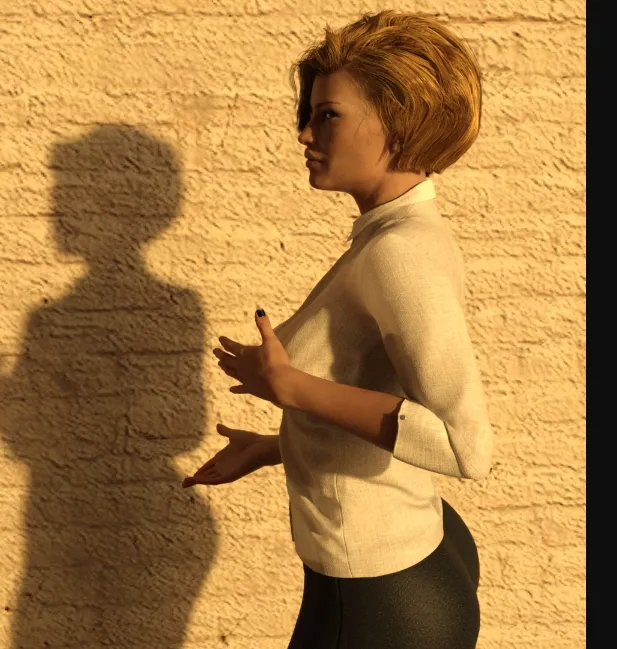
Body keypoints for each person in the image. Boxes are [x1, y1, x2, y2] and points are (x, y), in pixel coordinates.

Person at [183, 11, 492, 648]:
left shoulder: (399, 252)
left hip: (383, 595)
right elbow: (371, 392)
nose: (304, 133)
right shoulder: (390, 235)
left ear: (400, 123)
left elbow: (464, 446)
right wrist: (277, 446)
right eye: (309, 113)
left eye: (327, 115)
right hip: (392, 567)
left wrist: (293, 388)